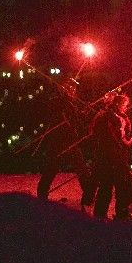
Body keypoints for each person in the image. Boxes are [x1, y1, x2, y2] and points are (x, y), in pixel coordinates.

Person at [36, 78, 94, 210]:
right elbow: (53, 112)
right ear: (63, 89)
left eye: (74, 89)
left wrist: (86, 111)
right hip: (58, 141)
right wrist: (63, 101)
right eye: (70, 88)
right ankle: (42, 194)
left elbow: (78, 120)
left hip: (71, 140)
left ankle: (88, 195)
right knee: (52, 168)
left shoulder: (70, 103)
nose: (73, 91)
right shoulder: (57, 100)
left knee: (81, 168)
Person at [91, 93, 132, 220]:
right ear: (117, 104)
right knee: (120, 186)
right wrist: (129, 142)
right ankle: (121, 214)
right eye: (124, 105)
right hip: (114, 156)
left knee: (106, 186)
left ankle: (100, 215)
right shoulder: (113, 118)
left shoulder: (105, 115)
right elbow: (118, 138)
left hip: (105, 156)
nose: (125, 108)